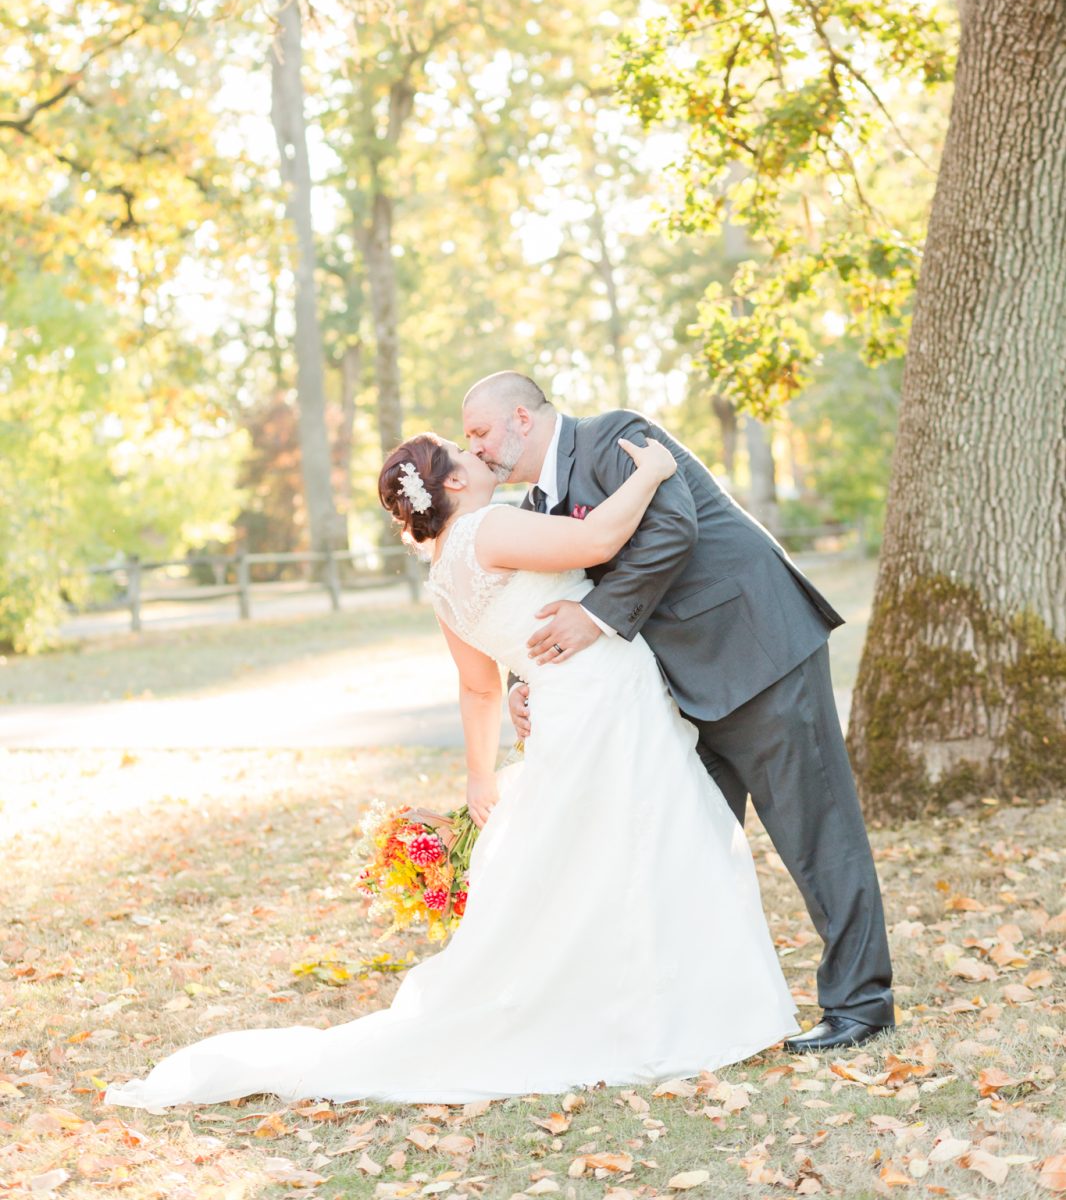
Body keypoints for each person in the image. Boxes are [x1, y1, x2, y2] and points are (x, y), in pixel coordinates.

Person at [105, 427, 797, 1110]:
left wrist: (481, 777)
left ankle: (648, 1004)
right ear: (455, 483)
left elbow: (480, 687)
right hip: (603, 698)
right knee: (648, 841)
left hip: (566, 709)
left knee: (614, 852)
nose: (483, 454)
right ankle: (675, 1011)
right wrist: (651, 474)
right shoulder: (487, 530)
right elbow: (595, 543)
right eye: (467, 453)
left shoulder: (444, 579)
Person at [461, 371, 894, 1053]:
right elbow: (550, 587)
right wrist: (524, 679)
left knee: (817, 836)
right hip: (678, 695)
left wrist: (595, 618)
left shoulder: (615, 436)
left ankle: (861, 1005)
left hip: (756, 652)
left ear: (520, 417)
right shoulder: (536, 503)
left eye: (479, 432)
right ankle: (707, 1012)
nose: (477, 448)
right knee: (685, 852)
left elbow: (673, 527)